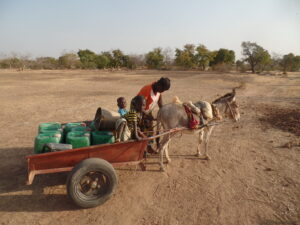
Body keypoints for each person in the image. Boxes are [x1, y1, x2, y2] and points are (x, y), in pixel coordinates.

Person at [137, 77, 171, 153]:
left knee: (150, 131)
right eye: (163, 89)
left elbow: (161, 104)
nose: (162, 91)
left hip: (147, 113)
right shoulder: (147, 89)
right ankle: (141, 150)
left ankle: (148, 147)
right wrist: (150, 117)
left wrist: (165, 114)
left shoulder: (159, 91)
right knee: (143, 132)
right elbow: (140, 107)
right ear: (159, 84)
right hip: (139, 113)